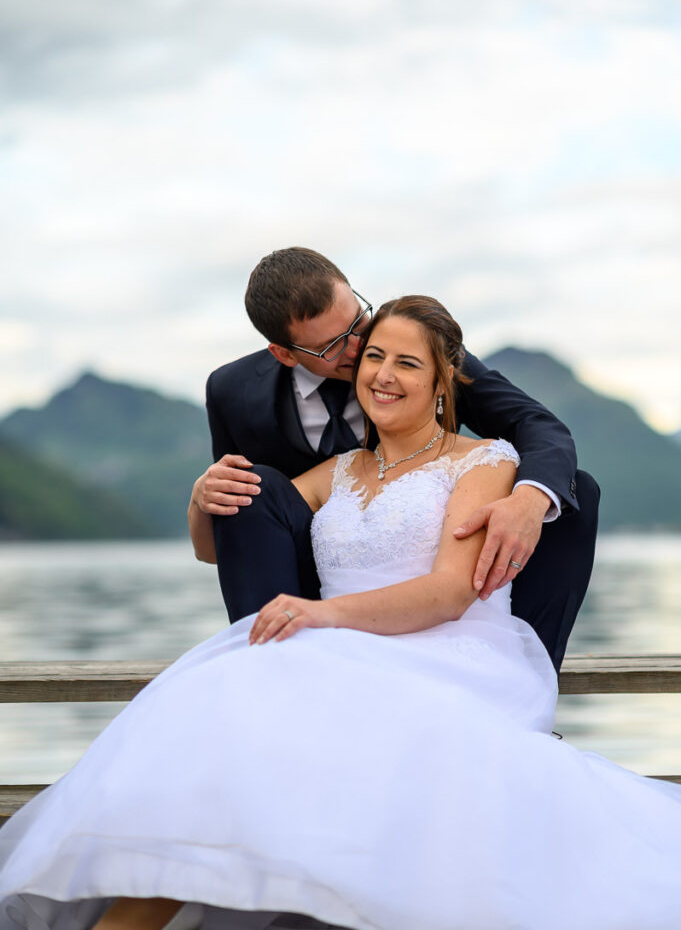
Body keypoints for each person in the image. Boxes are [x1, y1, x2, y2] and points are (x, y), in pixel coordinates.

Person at [1, 296, 680, 930]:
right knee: (226, 701)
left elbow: (449, 592)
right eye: (375, 357)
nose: (382, 374)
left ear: (444, 381)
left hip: (446, 649)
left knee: (263, 714)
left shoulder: (483, 463)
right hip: (348, 649)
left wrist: (319, 615)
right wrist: (198, 501)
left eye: (407, 363)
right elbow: (219, 550)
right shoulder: (340, 471)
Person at [191, 248, 599, 670]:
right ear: (285, 353)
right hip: (310, 573)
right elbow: (234, 534)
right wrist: (202, 496)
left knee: (572, 494)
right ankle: (265, 675)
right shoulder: (233, 392)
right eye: (333, 345)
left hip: (442, 580)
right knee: (249, 486)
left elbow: (538, 424)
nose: (358, 346)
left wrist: (529, 502)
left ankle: (529, 679)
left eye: (356, 322)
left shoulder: (415, 347)